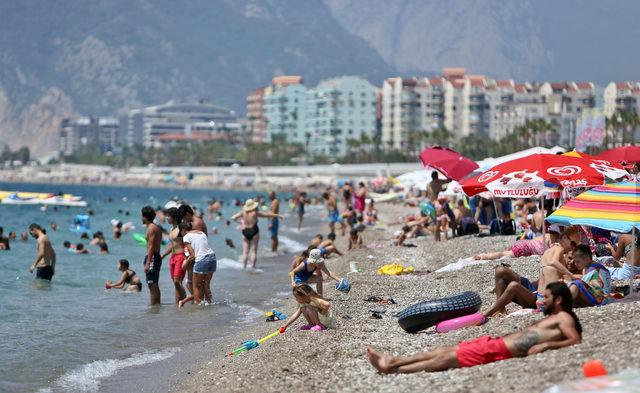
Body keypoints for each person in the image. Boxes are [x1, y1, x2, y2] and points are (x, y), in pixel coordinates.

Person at [367, 282, 582, 374]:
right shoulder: (554, 316)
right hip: (495, 344)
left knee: (446, 359)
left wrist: (547, 346)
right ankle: (394, 362)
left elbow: (575, 339)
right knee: (445, 352)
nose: (542, 301)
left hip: (501, 350)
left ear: (559, 299)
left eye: (546, 297)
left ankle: (393, 367)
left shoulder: (564, 317)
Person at [484, 227, 581, 317]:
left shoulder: (553, 251)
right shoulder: (558, 250)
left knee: (512, 283)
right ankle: (497, 309)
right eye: (573, 244)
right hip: (538, 293)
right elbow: (552, 264)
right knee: (502, 272)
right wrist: (570, 274)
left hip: (539, 298)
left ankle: (489, 313)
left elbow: (553, 274)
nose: (573, 247)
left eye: (576, 246)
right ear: (564, 237)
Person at [231, 199, 283, 270]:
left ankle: (244, 267)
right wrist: (278, 215)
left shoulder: (242, 212)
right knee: (254, 251)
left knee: (245, 251)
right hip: (254, 230)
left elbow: (233, 218)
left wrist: (240, 223)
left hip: (245, 231)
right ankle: (253, 267)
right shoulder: (255, 213)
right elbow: (267, 215)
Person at [179, 221, 216, 307]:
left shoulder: (186, 237)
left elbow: (193, 256)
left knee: (196, 287)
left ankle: (198, 309)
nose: (181, 234)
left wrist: (184, 265)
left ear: (183, 230)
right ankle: (209, 304)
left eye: (180, 232)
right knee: (206, 285)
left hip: (202, 259)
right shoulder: (202, 233)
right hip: (212, 258)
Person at [473, 224, 562, 260]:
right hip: (525, 248)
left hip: (522, 243)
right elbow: (551, 253)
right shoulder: (552, 240)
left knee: (504, 253)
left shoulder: (544, 235)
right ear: (557, 233)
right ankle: (483, 256)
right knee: (503, 255)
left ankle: (484, 255)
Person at [161, 207, 187, 303]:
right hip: (173, 257)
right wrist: (163, 254)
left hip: (181, 256)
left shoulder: (181, 227)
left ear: (174, 217)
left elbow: (188, 242)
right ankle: (178, 304)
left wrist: (188, 258)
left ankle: (184, 296)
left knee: (177, 281)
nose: (167, 218)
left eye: (168, 216)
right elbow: (172, 245)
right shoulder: (172, 228)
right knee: (176, 283)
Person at [142, 206, 162, 305]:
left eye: (142, 216)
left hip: (153, 257)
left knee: (152, 285)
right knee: (153, 284)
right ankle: (156, 308)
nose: (141, 218)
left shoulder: (151, 228)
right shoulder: (154, 227)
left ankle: (154, 308)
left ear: (145, 217)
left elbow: (151, 247)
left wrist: (148, 262)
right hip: (154, 256)